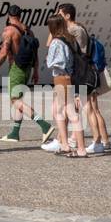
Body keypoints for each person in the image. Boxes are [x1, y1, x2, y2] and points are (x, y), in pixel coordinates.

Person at [0, 7, 54, 143]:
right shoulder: (28, 30)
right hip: (27, 69)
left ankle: (44, 125)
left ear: (8, 15)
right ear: (19, 15)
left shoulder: (9, 31)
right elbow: (35, 53)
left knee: (15, 100)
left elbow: (4, 51)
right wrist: (35, 70)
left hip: (16, 68)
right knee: (19, 101)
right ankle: (14, 133)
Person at [60, 2, 109, 155]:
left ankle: (97, 142)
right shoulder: (80, 28)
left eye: (60, 14)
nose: (58, 17)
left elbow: (62, 44)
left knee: (88, 107)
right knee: (92, 107)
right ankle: (102, 141)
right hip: (89, 71)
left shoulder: (74, 30)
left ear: (67, 16)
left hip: (83, 73)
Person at [43, 15, 85, 156]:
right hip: (70, 78)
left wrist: (49, 59)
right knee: (63, 111)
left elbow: (56, 62)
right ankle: (67, 145)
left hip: (61, 78)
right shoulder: (70, 39)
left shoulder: (56, 42)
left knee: (69, 113)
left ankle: (78, 148)